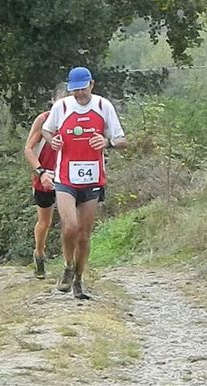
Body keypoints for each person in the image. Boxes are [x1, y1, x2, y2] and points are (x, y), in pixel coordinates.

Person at [42, 66, 127, 299]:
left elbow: (122, 140)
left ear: (92, 85)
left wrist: (107, 142)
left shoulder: (103, 106)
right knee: (69, 226)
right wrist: (54, 141)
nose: (79, 94)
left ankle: (79, 280)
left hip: (92, 179)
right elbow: (46, 131)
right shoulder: (61, 107)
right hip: (65, 178)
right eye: (75, 90)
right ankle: (68, 266)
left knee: (84, 234)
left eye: (82, 89)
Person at [24, 83, 68, 279]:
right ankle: (39, 253)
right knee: (45, 221)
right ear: (53, 101)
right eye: (61, 102)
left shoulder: (78, 120)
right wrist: (41, 171)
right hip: (45, 175)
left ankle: (70, 264)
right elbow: (28, 148)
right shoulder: (44, 119)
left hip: (69, 176)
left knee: (70, 221)